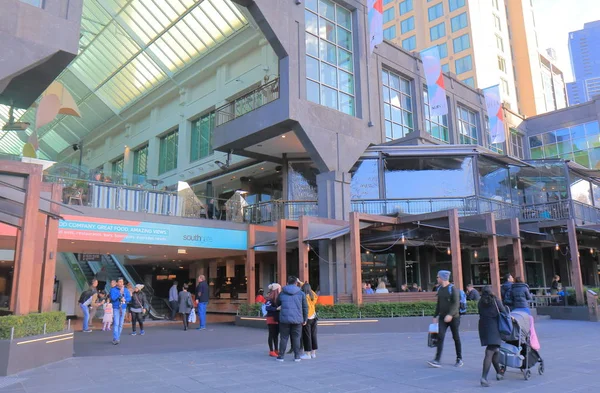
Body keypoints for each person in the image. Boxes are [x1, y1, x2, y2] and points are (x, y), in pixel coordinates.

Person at [428, 270, 463, 368]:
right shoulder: (440, 289)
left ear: (442, 278)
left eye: (438, 277)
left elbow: (456, 304)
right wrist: (435, 316)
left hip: (454, 317)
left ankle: (459, 358)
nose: (437, 279)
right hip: (443, 317)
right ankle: (437, 359)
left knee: (456, 337)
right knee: (440, 336)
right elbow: (439, 304)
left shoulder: (453, 289)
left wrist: (450, 315)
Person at [478, 285, 507, 387]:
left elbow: (480, 313)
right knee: (490, 351)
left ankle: (499, 373)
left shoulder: (480, 301)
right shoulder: (495, 300)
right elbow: (503, 311)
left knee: (495, 350)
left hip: (483, 327)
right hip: (494, 327)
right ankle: (484, 377)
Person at [276, 276, 308, 362]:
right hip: (297, 319)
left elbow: (277, 303)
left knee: (284, 337)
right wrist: (305, 319)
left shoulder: (282, 293)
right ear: (296, 283)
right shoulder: (301, 293)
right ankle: (297, 356)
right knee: (296, 338)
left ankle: (281, 356)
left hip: (284, 318)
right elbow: (305, 307)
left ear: (287, 283)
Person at [109, 277, 131, 345]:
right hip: (116, 307)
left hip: (123, 308)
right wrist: (119, 293)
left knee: (121, 324)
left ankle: (117, 337)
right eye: (120, 282)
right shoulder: (113, 289)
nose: (121, 283)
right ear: (117, 283)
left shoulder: (126, 290)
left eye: (122, 282)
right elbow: (113, 298)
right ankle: (116, 338)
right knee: (116, 323)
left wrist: (125, 299)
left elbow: (129, 298)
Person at [300, 283, 319, 360]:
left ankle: (308, 353)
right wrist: (302, 283)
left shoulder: (304, 297)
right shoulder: (313, 296)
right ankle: (313, 353)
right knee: (313, 335)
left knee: (307, 336)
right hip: (314, 318)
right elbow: (313, 292)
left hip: (307, 318)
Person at [265, 283, 281, 357]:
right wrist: (276, 309)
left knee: (276, 335)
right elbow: (267, 308)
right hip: (271, 318)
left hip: (277, 318)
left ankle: (276, 349)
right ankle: (271, 350)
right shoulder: (269, 299)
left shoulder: (278, 298)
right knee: (271, 334)